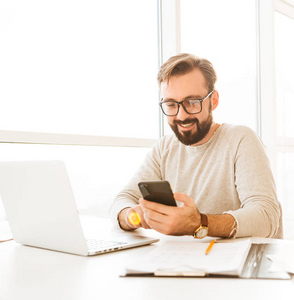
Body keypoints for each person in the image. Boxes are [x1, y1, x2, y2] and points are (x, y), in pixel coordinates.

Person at [109, 53, 282, 239]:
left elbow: (266, 217)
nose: (181, 116)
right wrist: (132, 217)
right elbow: (122, 199)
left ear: (213, 100)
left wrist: (199, 223)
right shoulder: (165, 147)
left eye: (192, 102)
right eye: (171, 104)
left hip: (239, 265)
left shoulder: (241, 139)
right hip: (185, 262)